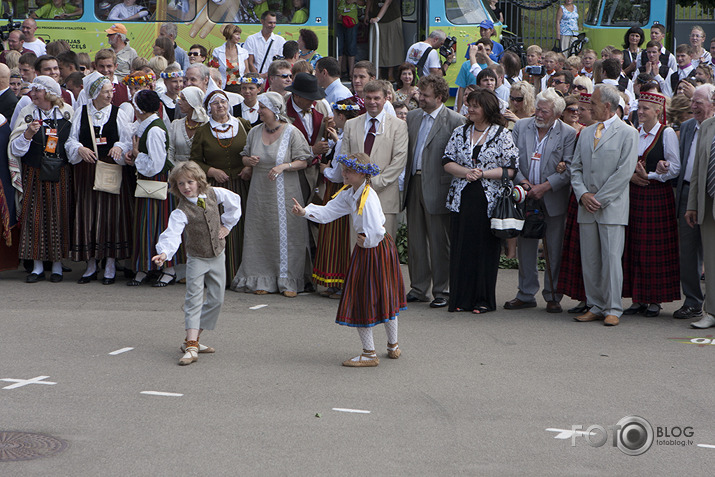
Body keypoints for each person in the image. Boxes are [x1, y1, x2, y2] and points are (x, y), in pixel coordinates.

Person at [291, 152, 406, 367]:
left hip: (373, 247)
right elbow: (328, 213)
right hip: (377, 247)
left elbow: (375, 229)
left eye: (349, 171)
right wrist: (305, 211)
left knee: (364, 297)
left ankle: (370, 354)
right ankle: (392, 346)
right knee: (383, 293)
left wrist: (368, 242)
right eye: (344, 169)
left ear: (362, 174)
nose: (343, 173)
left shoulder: (367, 196)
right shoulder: (351, 192)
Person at [153, 161, 242, 366]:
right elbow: (172, 234)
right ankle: (192, 344)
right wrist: (164, 253)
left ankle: (192, 339)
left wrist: (227, 225)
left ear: (199, 181)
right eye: (181, 183)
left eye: (190, 182)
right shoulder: (181, 211)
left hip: (218, 255)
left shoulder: (214, 193)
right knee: (193, 298)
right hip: (197, 258)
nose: (186, 187)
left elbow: (234, 202)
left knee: (216, 300)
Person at [443, 89, 519, 313]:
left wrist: (482, 174)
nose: (471, 109)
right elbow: (447, 160)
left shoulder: (502, 134)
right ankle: (460, 299)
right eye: (469, 105)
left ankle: (482, 300)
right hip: (462, 197)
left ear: (487, 108)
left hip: (489, 200)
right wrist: (466, 172)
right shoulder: (460, 131)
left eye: (476, 105)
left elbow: (511, 169)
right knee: (461, 248)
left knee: (484, 250)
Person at [231, 92, 312, 296]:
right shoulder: (254, 132)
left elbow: (304, 160)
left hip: (286, 191)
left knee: (288, 234)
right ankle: (261, 278)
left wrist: (284, 166)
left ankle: (288, 280)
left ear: (275, 111)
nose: (259, 111)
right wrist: (248, 162)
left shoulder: (292, 133)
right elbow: (244, 156)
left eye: (262, 108)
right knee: (260, 232)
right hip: (260, 192)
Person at [571, 84, 639, 326]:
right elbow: (575, 168)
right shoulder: (587, 133)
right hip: (586, 207)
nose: (589, 108)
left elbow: (624, 172)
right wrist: (582, 194)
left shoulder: (628, 133)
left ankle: (613, 307)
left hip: (611, 208)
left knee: (611, 259)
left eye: (594, 104)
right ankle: (595, 304)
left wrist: (599, 199)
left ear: (608, 106)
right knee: (590, 260)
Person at [506, 88, 576, 313]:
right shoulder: (521, 126)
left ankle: (553, 295)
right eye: (537, 109)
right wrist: (525, 183)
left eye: (544, 111)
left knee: (553, 249)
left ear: (556, 114)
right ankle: (526, 294)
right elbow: (511, 159)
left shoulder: (567, 134)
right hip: (525, 196)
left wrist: (545, 186)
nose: (539, 114)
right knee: (526, 246)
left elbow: (569, 168)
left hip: (552, 197)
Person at [65, 72, 134, 285]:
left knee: (111, 216)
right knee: (88, 215)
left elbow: (128, 140)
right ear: (94, 93)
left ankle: (110, 262)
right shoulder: (81, 112)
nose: (109, 95)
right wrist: (80, 149)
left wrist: (119, 147)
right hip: (87, 171)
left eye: (110, 91)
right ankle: (91, 264)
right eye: (105, 92)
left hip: (110, 170)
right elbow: (71, 140)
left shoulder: (118, 112)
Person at [403, 75, 466, 308]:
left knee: (440, 242)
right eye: (420, 93)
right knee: (416, 240)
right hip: (414, 184)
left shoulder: (455, 121)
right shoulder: (412, 117)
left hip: (440, 188)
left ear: (440, 97)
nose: (420, 98)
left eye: (426, 95)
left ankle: (443, 290)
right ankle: (419, 288)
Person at [8, 76, 74, 283]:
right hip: (34, 172)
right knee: (34, 218)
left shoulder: (67, 112)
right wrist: (27, 134)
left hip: (59, 173)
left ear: (49, 93)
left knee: (58, 217)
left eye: (37, 91)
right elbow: (14, 148)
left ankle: (56, 267)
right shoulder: (27, 113)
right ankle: (36, 267)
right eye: (33, 91)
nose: (33, 94)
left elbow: (72, 142)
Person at [621, 91, 681, 317]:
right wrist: (632, 176)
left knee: (654, 246)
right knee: (635, 244)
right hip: (635, 194)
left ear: (658, 111)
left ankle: (655, 299)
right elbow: (624, 162)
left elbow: (675, 167)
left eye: (646, 108)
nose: (641, 112)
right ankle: (638, 298)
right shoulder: (634, 133)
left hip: (657, 195)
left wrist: (652, 176)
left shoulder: (666, 134)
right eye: (640, 108)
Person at [189, 89, 251, 284]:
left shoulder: (243, 125)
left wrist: (248, 166)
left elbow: (254, 149)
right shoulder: (203, 131)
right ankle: (219, 276)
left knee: (240, 228)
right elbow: (195, 162)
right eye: (215, 103)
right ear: (209, 108)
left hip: (242, 184)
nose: (220, 106)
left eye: (223, 102)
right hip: (216, 188)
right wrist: (212, 171)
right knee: (217, 228)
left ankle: (240, 273)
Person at [124, 90, 181, 287]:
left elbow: (157, 163)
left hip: (157, 182)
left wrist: (137, 155)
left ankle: (168, 270)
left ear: (140, 109)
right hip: (147, 181)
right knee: (145, 225)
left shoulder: (155, 129)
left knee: (159, 225)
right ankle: (146, 266)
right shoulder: (145, 126)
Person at [341, 80, 408, 239]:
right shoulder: (351, 124)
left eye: (377, 98)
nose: (372, 102)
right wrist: (357, 183)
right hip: (356, 196)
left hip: (384, 196)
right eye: (368, 98)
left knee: (383, 252)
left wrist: (373, 183)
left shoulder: (398, 126)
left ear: (386, 99)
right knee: (357, 247)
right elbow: (344, 157)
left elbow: (399, 160)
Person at [674, 85, 715, 320]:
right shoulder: (688, 127)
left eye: (698, 102)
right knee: (688, 253)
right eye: (692, 102)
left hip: (710, 195)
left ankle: (712, 304)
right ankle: (692, 301)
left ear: (712, 103)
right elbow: (681, 161)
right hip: (688, 193)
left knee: (711, 252)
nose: (693, 107)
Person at [312, 98, 360, 298]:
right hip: (337, 188)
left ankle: (339, 282)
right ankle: (334, 282)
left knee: (337, 236)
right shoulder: (343, 137)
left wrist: (325, 169)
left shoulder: (345, 139)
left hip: (338, 188)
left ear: (341, 116)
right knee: (333, 234)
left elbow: (338, 173)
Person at [685, 87, 715, 329]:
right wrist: (692, 204)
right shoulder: (706, 127)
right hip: (709, 204)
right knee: (712, 263)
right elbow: (697, 171)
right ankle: (711, 312)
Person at [168, 86, 208, 164]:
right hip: (178, 171)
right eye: (179, 98)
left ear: (193, 102)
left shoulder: (207, 124)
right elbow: (170, 151)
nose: (179, 102)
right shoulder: (176, 125)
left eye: (183, 99)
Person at [366, 0, 404, 81]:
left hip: (391, 19)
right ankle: (377, 73)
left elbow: (387, 2)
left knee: (392, 46)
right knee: (377, 46)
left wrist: (378, 18)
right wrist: (367, 14)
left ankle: (390, 74)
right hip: (376, 19)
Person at [244, 11, 286, 76]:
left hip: (273, 78)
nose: (273, 25)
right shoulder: (251, 39)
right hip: (256, 79)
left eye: (274, 23)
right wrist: (258, 77)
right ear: (262, 22)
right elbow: (249, 62)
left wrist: (266, 75)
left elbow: (280, 63)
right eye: (270, 23)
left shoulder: (280, 40)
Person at [211, 25, 249, 91]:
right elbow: (214, 71)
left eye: (239, 35)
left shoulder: (243, 52)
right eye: (237, 34)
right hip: (223, 88)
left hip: (239, 88)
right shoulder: (218, 51)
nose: (239, 37)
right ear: (230, 34)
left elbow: (246, 71)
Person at [336, 0, 358, 79]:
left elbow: (363, 3)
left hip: (352, 21)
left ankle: (351, 74)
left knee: (351, 46)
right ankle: (338, 73)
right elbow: (332, 6)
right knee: (339, 47)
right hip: (339, 21)